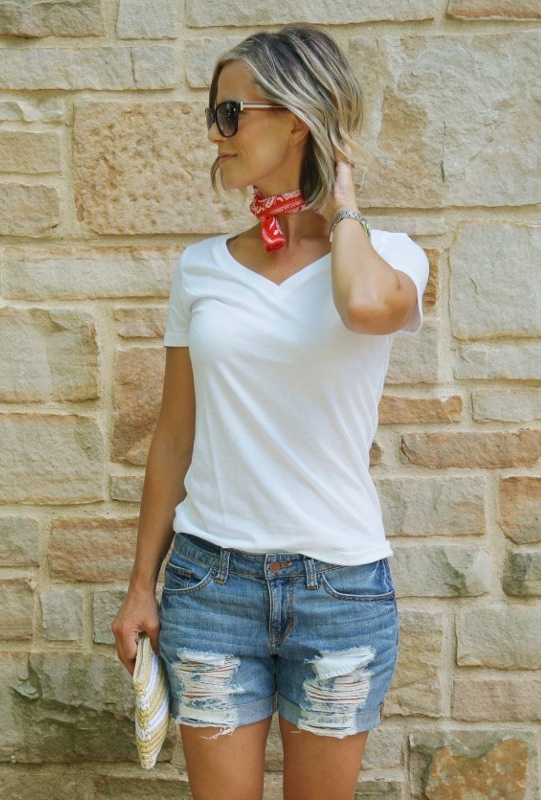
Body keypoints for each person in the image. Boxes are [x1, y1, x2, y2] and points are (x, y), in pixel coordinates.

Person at [112, 24, 429, 800]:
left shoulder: (393, 260)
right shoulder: (201, 270)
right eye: (213, 115)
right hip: (209, 584)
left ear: (296, 120)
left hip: (341, 592)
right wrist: (140, 584)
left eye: (230, 114)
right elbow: (173, 438)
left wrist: (342, 196)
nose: (213, 133)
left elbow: (359, 306)